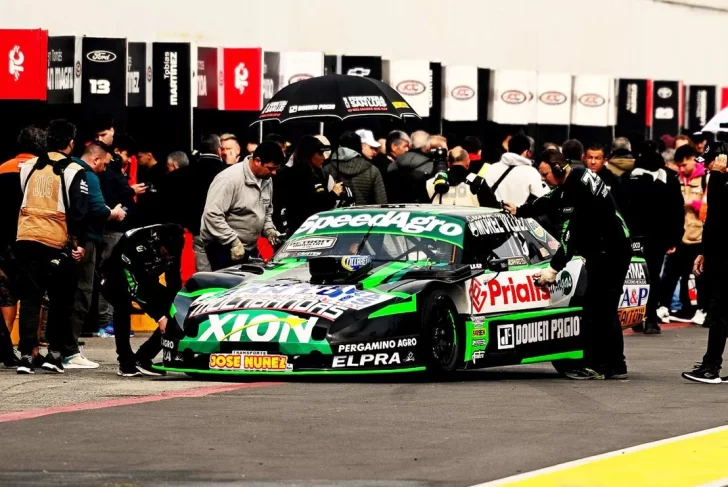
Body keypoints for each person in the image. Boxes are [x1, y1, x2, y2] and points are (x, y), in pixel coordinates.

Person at [504, 162, 632, 380]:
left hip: (611, 251)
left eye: (545, 174)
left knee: (600, 307)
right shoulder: (576, 176)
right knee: (602, 306)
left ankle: (604, 365)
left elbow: (569, 240)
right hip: (611, 245)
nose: (543, 179)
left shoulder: (577, 193)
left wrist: (553, 269)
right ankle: (614, 364)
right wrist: (521, 210)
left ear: (559, 171)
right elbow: (551, 199)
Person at [15, 120, 89, 374]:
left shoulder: (28, 168)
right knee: (60, 301)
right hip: (55, 242)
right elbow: (79, 212)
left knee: (30, 299)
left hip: (25, 239)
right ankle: (53, 355)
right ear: (70, 143)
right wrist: (78, 245)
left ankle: (26, 355)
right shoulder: (73, 170)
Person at [99, 223, 184, 377]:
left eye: (171, 255)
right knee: (122, 304)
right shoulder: (137, 243)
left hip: (147, 277)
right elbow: (137, 286)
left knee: (176, 311)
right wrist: (159, 316)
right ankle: (125, 361)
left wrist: (174, 307)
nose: (168, 257)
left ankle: (143, 357)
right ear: (158, 244)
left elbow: (173, 281)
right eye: (165, 253)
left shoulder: (175, 244)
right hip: (116, 276)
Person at [68, 143, 125, 367]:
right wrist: (115, 212)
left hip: (66, 240)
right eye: (105, 163)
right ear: (95, 159)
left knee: (65, 295)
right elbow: (97, 209)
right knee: (83, 292)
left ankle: (60, 347)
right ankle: (70, 351)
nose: (105, 168)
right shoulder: (88, 176)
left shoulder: (66, 169)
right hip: (86, 241)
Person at [619, 150, 684, 334]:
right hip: (658, 237)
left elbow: (620, 209)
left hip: (633, 236)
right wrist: (675, 237)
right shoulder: (668, 180)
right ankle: (651, 318)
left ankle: (636, 317)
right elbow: (676, 211)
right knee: (653, 276)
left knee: (634, 276)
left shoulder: (628, 179)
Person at [0, 126, 47, 367]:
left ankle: (6, 348)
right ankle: (33, 350)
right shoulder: (43, 171)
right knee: (33, 295)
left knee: (6, 296)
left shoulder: (2, 168)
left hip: (3, 244)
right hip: (31, 240)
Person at [200, 141, 285, 270]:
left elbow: (266, 210)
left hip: (247, 246)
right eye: (271, 168)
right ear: (257, 161)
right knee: (228, 287)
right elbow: (212, 215)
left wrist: (270, 231)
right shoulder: (229, 179)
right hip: (222, 246)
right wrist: (233, 242)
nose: (274, 173)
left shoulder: (266, 179)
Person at [682, 154, 728, 383]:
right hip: (718, 253)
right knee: (722, 312)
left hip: (724, 257)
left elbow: (718, 216)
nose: (708, 166)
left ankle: (711, 367)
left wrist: (717, 177)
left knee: (719, 312)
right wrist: (704, 252)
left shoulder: (720, 180)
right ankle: (711, 364)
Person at [657, 144, 707, 325]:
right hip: (680, 237)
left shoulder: (705, 179)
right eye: (678, 165)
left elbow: (708, 206)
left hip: (699, 236)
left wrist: (692, 202)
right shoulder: (676, 179)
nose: (681, 168)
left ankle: (701, 309)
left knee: (697, 277)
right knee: (669, 275)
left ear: (693, 159)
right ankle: (663, 306)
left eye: (684, 164)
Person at [275, 136, 344, 235]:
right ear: (309, 154)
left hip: (311, 229)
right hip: (299, 231)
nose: (323, 157)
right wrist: (333, 193)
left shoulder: (318, 173)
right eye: (320, 153)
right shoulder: (294, 175)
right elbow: (314, 205)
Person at [188, 135, 227, 272]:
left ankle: (204, 293)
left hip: (198, 226)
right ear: (218, 150)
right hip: (222, 227)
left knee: (203, 272)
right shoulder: (225, 171)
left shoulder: (190, 170)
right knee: (224, 271)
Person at [484, 134, 547, 206]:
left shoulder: (492, 167)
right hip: (515, 215)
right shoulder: (532, 172)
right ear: (526, 152)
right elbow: (542, 198)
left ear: (508, 148)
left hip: (490, 215)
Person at [325, 132, 387, 206]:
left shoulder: (327, 169)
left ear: (340, 147)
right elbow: (382, 203)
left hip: (336, 216)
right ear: (360, 147)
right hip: (365, 216)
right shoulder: (372, 170)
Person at [426, 146, 495, 206]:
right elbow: (493, 208)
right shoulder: (478, 183)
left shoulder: (431, 182)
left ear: (449, 163)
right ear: (468, 163)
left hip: (439, 220)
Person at [386, 130, 434, 203]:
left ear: (411, 145)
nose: (406, 149)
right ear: (428, 146)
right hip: (421, 209)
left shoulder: (393, 164)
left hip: (394, 207)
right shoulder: (430, 165)